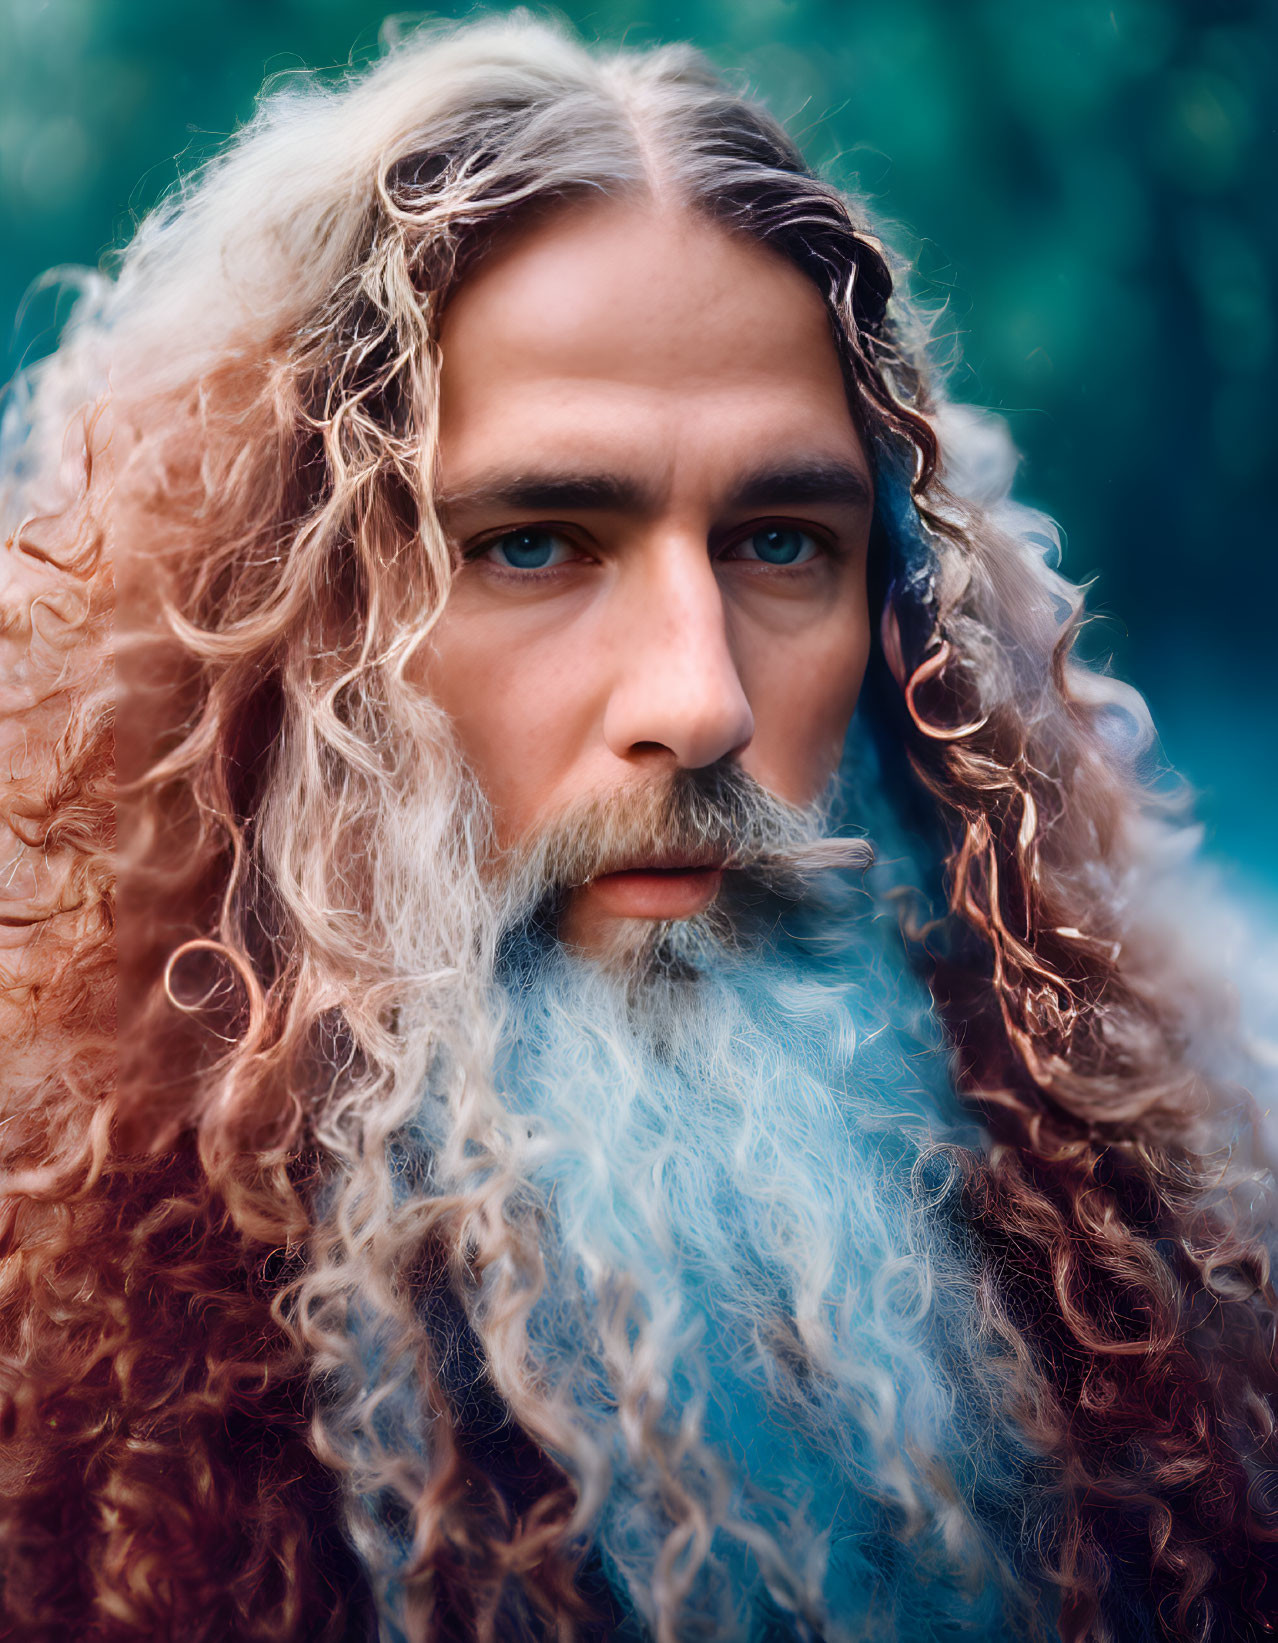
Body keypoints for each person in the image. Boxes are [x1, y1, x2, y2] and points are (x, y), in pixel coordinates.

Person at [1, 15, 1275, 1643]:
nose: (704, 702)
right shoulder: (64, 1379)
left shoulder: (1185, 1290)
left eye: (777, 544)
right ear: (286, 633)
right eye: (536, 544)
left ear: (903, 637)